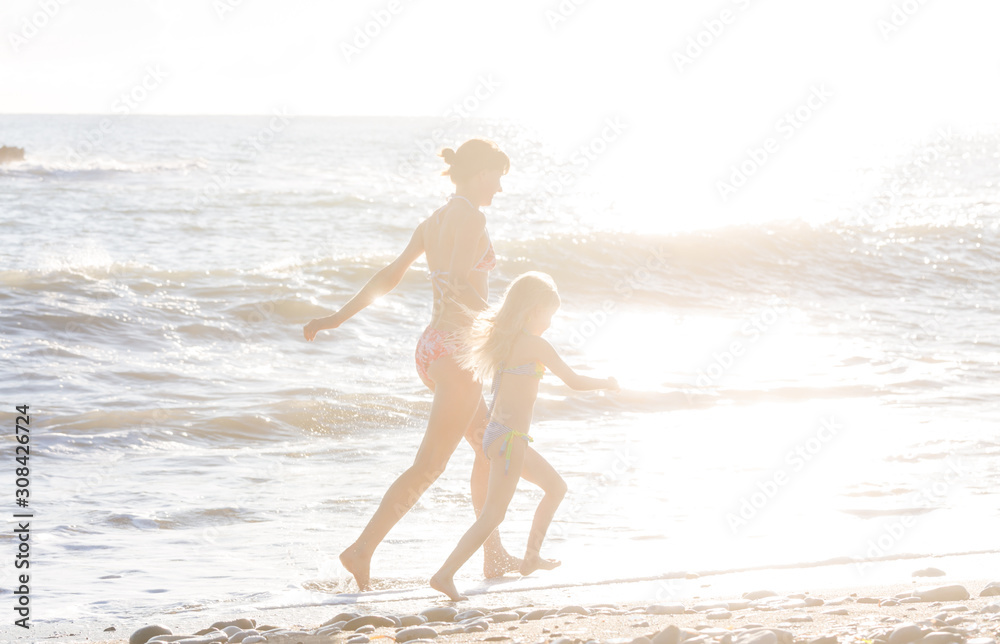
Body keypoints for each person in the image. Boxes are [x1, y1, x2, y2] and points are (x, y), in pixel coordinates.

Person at [303, 139, 539, 591]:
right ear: (478, 173)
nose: (501, 187)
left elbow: (389, 276)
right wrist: (503, 327)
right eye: (498, 176)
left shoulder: (432, 221)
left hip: (433, 348)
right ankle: (361, 550)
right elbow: (452, 282)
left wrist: (336, 317)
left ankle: (492, 555)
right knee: (431, 465)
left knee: (489, 449)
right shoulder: (471, 215)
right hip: (456, 351)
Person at [430, 272, 619, 601]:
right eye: (549, 314)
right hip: (509, 439)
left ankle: (531, 557)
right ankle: (444, 575)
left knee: (556, 487)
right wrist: (607, 382)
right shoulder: (534, 344)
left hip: (499, 436)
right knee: (494, 514)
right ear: (534, 309)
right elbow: (572, 381)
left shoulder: (507, 341)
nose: (550, 322)